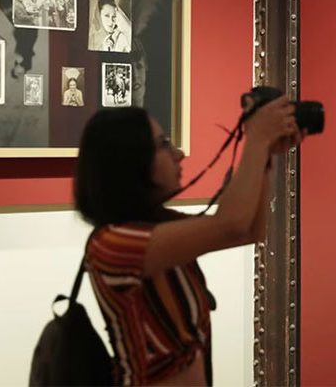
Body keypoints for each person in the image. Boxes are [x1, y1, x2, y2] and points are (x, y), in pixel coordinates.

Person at [74, 99, 302, 385]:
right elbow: (231, 225)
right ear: (131, 161)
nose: (178, 154)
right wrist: (257, 140)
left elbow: (248, 232)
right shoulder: (113, 244)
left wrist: (266, 153)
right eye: (163, 145)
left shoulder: (157, 224)